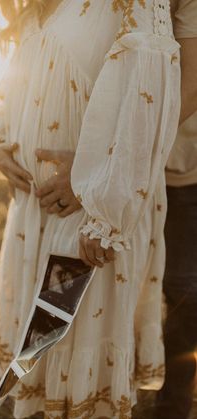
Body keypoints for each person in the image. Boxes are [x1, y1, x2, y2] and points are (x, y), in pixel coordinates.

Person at [0, 1, 181, 418]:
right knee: (37, 365)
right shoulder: (41, 5)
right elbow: (17, 80)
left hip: (92, 211)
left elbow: (149, 99)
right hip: (35, 213)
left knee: (74, 378)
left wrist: (101, 201)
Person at [154, 2, 197, 417]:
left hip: (183, 166)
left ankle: (174, 400)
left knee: (182, 286)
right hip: (111, 162)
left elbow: (191, 83)